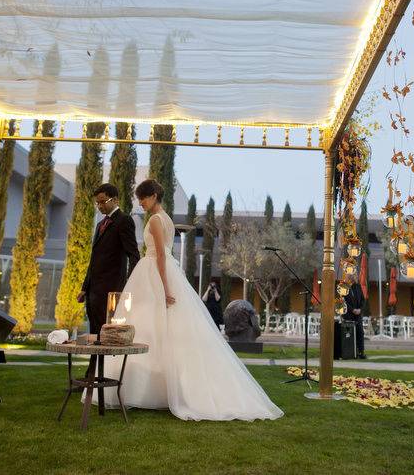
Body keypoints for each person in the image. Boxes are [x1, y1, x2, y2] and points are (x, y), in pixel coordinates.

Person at [88, 179, 283, 421]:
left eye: (143, 198)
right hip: (159, 272)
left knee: (148, 328)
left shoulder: (157, 220)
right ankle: (152, 389)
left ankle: (148, 389)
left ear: (154, 196)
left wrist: (165, 288)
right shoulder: (167, 219)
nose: (141, 203)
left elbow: (160, 255)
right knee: (155, 330)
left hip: (155, 274)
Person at [76, 183, 141, 336]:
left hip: (111, 289)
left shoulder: (124, 220)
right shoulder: (100, 225)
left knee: (106, 334)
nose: (99, 206)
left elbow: (133, 254)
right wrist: (84, 288)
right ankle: (93, 361)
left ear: (115, 200)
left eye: (103, 201)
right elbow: (94, 259)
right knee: (93, 331)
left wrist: (129, 284)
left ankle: (103, 361)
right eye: (97, 202)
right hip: (93, 290)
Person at [343, 280, 366, 359]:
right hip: (348, 314)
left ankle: (361, 352)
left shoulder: (358, 287)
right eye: (350, 274)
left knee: (360, 333)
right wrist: (352, 309)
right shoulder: (344, 286)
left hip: (358, 315)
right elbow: (343, 301)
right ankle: (350, 352)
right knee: (349, 334)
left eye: (354, 274)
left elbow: (363, 300)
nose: (352, 276)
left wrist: (360, 309)